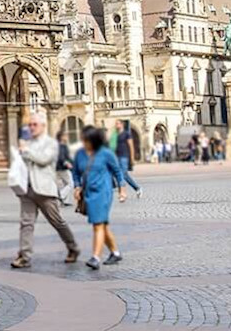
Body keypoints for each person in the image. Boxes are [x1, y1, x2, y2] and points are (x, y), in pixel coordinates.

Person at [9, 113, 80, 269]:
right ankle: (24, 256)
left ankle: (73, 247)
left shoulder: (51, 143)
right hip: (27, 190)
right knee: (26, 223)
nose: (32, 127)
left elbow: (44, 160)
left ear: (43, 126)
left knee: (57, 222)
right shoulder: (28, 143)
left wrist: (26, 151)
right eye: (30, 125)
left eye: (35, 124)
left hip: (45, 190)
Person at [70, 126, 137, 269]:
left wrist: (122, 189)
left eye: (86, 139)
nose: (83, 142)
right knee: (103, 225)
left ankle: (95, 257)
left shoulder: (106, 154)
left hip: (103, 192)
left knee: (98, 224)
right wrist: (77, 186)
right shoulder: (80, 154)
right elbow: (75, 172)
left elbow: (118, 172)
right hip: (88, 193)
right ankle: (115, 252)